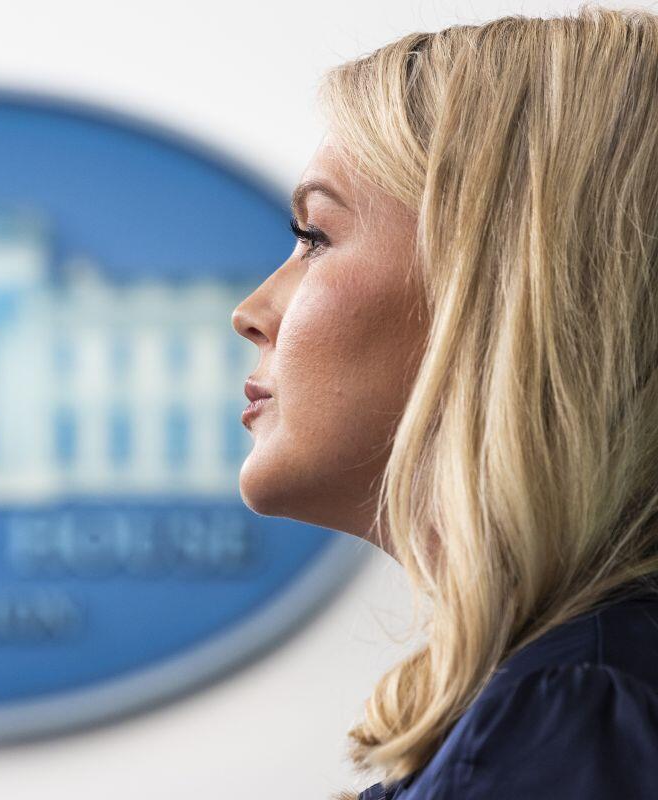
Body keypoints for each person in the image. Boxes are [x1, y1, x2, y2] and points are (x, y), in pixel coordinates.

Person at [230, 4, 658, 798]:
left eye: (315, 238)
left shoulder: (577, 716)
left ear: (497, 284)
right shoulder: (573, 701)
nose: (250, 313)